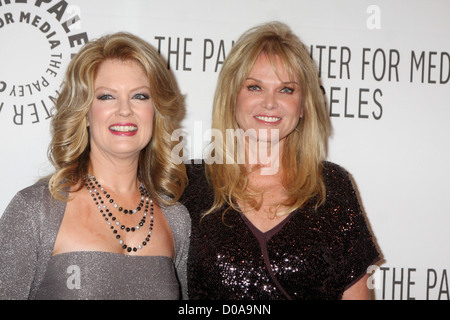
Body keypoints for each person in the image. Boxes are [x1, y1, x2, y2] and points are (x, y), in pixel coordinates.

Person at [181, 22, 380, 300]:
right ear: (232, 97)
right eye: (254, 87)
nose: (270, 103)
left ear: (303, 106)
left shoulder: (333, 186)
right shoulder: (188, 184)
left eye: (286, 89)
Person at [0, 32, 190, 300]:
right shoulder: (36, 211)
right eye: (106, 97)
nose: (125, 110)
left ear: (156, 111)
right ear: (84, 112)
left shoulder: (176, 220)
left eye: (139, 96)